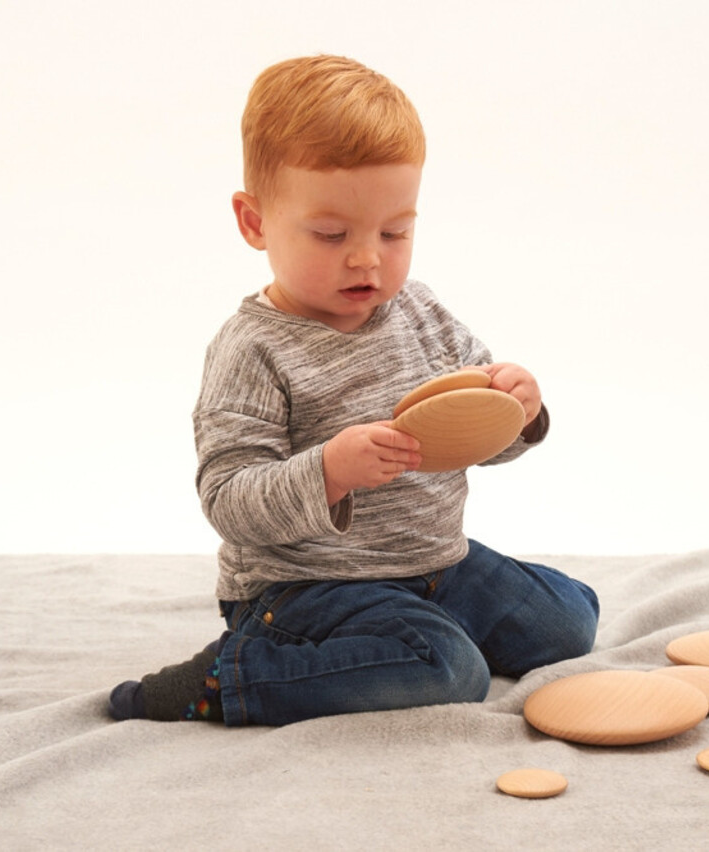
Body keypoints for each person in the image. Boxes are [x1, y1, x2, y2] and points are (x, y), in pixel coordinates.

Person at [109, 55, 598, 726]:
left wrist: (519, 409)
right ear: (254, 222)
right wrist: (328, 473)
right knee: (451, 671)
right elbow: (227, 499)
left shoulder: (420, 312)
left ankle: (406, 632)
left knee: (570, 622)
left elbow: (479, 434)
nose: (367, 256)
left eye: (394, 231)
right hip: (305, 587)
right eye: (331, 234)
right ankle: (234, 676)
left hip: (432, 565)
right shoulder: (253, 348)